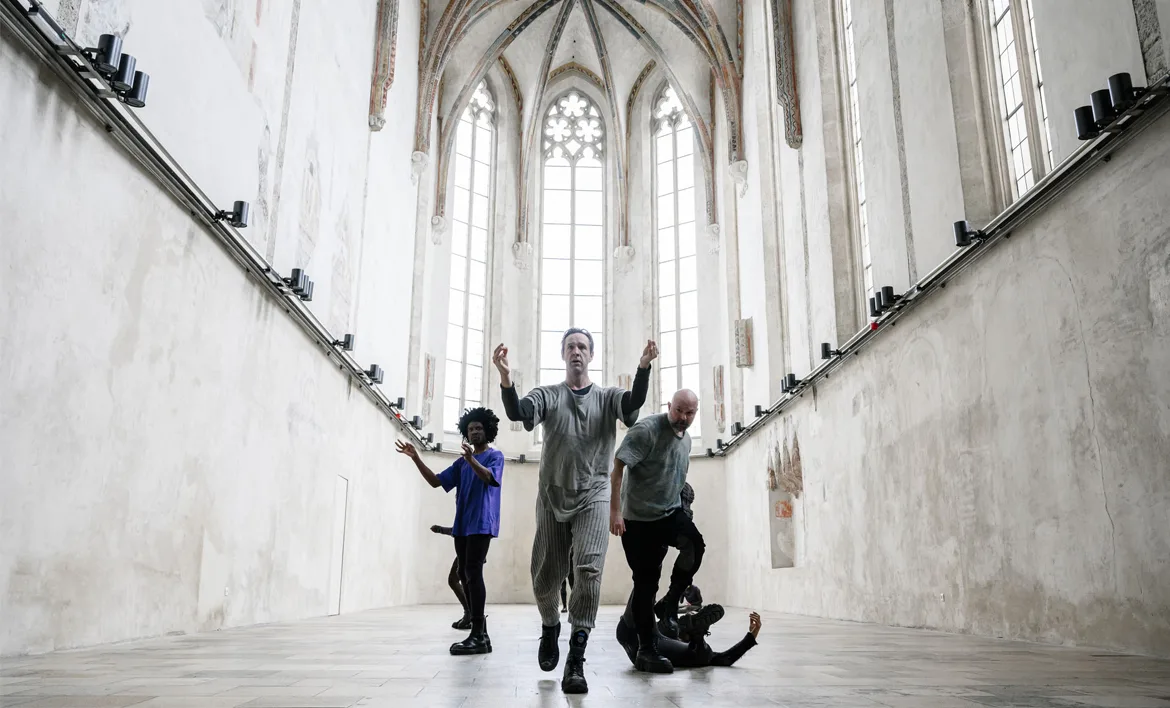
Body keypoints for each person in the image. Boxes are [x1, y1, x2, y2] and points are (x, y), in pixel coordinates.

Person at [493, 329, 656, 694]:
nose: (576, 352)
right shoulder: (548, 395)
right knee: (545, 577)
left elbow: (632, 405)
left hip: (595, 493)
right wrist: (506, 378)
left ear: (591, 355)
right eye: (570, 347)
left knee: (589, 570)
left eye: (583, 346)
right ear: (563, 355)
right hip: (552, 495)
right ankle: (550, 624)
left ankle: (576, 658)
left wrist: (643, 368)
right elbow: (518, 413)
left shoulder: (607, 396)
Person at [396, 408, 504, 656]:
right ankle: (481, 634)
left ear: (487, 430)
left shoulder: (494, 456)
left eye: (478, 428)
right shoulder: (461, 463)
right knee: (465, 576)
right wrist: (416, 458)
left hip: (481, 524)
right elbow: (436, 481)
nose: (475, 431)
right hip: (462, 526)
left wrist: (471, 460)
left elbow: (490, 478)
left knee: (473, 574)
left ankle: (477, 634)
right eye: (470, 429)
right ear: (465, 434)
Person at [610, 389, 704, 673]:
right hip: (637, 521)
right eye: (679, 411)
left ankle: (671, 603)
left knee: (694, 545)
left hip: (668, 513)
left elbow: (675, 477)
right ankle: (647, 650)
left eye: (689, 414)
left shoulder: (686, 440)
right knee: (645, 583)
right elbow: (618, 467)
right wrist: (615, 512)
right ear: (669, 406)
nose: (683, 418)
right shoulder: (647, 429)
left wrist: (682, 507)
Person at [616, 597, 761, 669]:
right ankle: (682, 626)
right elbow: (726, 659)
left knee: (646, 577)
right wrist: (750, 637)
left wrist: (751, 636)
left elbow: (725, 659)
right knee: (647, 578)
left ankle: (679, 623)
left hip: (643, 640)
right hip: (649, 640)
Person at [429, 524, 472, 630]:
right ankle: (471, 615)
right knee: (462, 580)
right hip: (469, 548)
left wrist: (440, 530)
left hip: (469, 549)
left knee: (456, 580)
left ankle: (470, 615)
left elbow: (459, 530)